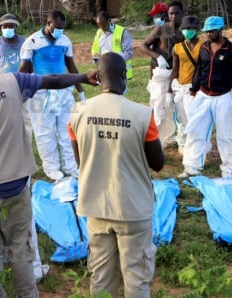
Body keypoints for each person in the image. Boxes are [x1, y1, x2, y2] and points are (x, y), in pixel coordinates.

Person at [0, 41, 97, 297]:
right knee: (20, 250)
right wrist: (83, 77)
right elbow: (52, 79)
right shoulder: (12, 82)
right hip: (16, 185)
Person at [68, 52, 165, 297]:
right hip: (133, 208)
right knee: (136, 277)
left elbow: (82, 160)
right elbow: (158, 163)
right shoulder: (143, 114)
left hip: (96, 206)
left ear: (98, 77)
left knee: (101, 277)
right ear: (124, 75)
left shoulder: (77, 112)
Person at [0, 13, 46, 281]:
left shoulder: (25, 43)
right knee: (21, 225)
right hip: (13, 184)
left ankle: (8, 268)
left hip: (20, 91)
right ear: (0, 28)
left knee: (24, 127)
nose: (8, 30)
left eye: (12, 26)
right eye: (5, 27)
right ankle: (26, 269)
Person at [19, 10, 86, 181]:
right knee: (44, 132)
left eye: (63, 28)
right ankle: (51, 168)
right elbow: (23, 70)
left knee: (67, 130)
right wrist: (18, 93)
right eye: (57, 28)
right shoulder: (32, 42)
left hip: (63, 92)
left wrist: (81, 91)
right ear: (48, 23)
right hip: (40, 93)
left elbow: (72, 67)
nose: (59, 32)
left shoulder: (65, 41)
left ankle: (70, 166)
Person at [179, 16, 232, 178]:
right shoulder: (204, 48)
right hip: (203, 95)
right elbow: (199, 70)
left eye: (212, 31)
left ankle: (230, 169)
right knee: (196, 131)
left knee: (227, 134)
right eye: (207, 31)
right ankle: (192, 166)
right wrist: (194, 90)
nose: (209, 34)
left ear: (220, 30)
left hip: (223, 97)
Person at [142, 1, 184, 150]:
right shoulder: (161, 29)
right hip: (161, 76)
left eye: (176, 13)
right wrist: (157, 57)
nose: (173, 16)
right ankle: (155, 143)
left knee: (179, 110)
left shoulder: (184, 32)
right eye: (171, 13)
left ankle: (175, 138)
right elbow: (143, 45)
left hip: (179, 76)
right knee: (159, 109)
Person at [166, 16, 203, 154]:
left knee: (195, 118)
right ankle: (183, 142)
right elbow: (174, 69)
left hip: (196, 89)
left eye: (191, 28)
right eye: (185, 29)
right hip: (180, 88)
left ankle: (197, 145)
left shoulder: (204, 46)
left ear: (196, 29)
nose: (188, 31)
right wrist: (169, 91)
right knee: (181, 118)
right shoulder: (177, 48)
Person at [91, 10, 133, 80]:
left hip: (119, 71)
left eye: (104, 25)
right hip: (104, 70)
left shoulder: (122, 32)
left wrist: (114, 61)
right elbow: (95, 50)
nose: (102, 28)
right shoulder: (99, 33)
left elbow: (129, 52)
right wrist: (96, 58)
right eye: (99, 25)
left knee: (117, 91)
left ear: (109, 21)